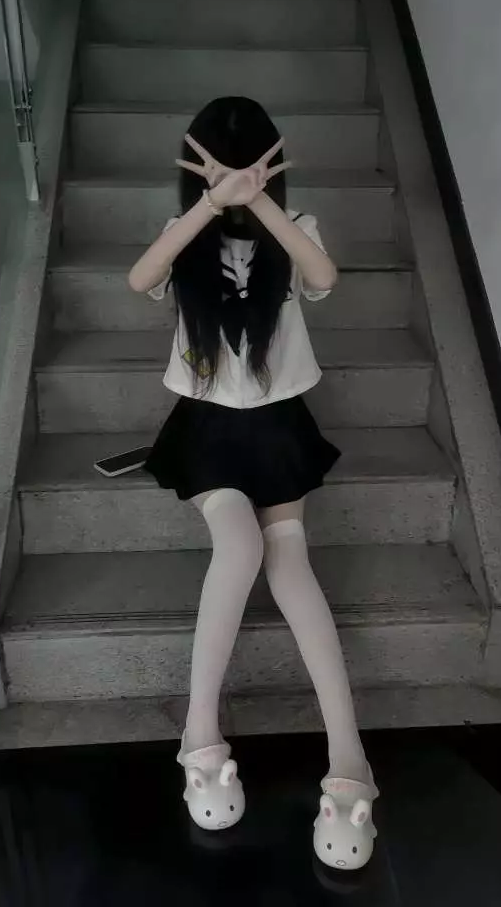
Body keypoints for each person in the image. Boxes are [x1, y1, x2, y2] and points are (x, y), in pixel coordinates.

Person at [128, 97, 378, 870]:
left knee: (289, 560)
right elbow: (140, 278)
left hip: (277, 427)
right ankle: (199, 737)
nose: (236, 178)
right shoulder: (185, 235)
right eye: (222, 165)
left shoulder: (295, 225)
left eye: (250, 165)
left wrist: (260, 201)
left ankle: (350, 760)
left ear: (274, 165)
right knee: (239, 547)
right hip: (207, 428)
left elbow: (323, 276)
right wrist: (211, 203)